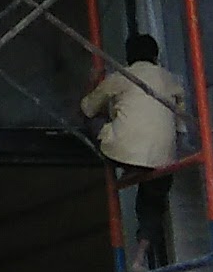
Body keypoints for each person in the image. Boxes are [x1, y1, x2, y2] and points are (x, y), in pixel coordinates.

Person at [82, 31, 192, 238]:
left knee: (92, 118)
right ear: (155, 56)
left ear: (129, 57)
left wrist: (92, 81)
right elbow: (180, 125)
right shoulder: (171, 79)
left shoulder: (121, 76)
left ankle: (128, 165)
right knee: (151, 203)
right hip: (163, 157)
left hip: (126, 151)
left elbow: (87, 108)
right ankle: (141, 254)